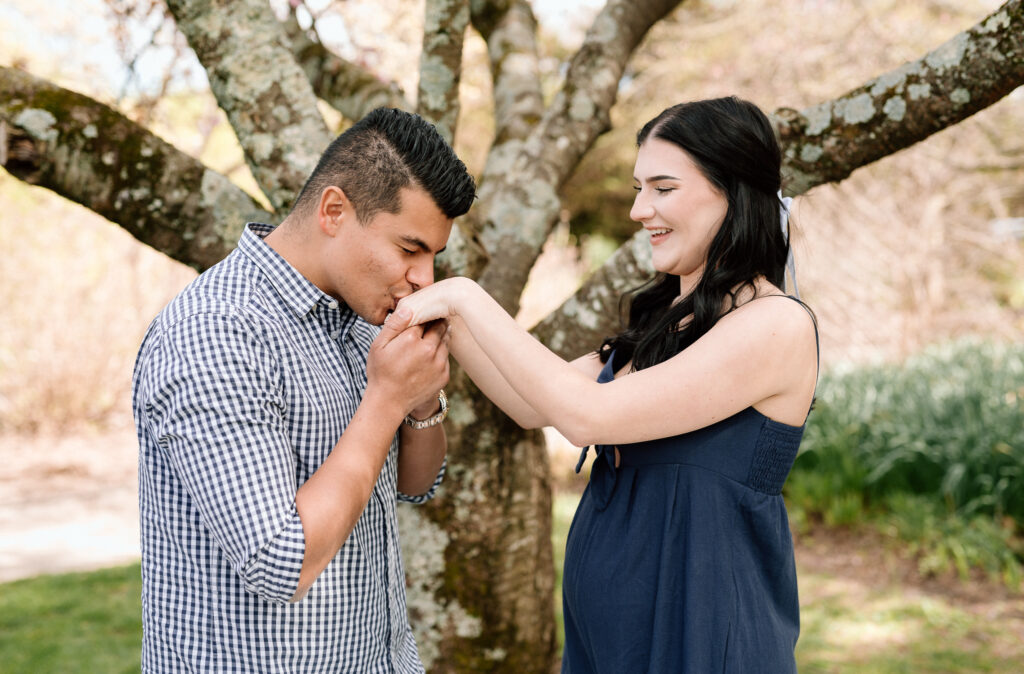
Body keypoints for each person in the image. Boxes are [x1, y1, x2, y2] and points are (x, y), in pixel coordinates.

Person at [393, 96, 818, 672]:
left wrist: (466, 295)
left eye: (663, 188)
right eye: (639, 187)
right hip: (611, 641)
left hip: (702, 633)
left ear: (733, 191)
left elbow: (585, 415)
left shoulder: (775, 325)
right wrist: (444, 314)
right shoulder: (668, 325)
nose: (640, 209)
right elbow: (527, 403)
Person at [131, 107, 476, 672]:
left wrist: (419, 403)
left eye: (433, 256)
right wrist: (385, 400)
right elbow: (279, 562)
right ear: (334, 210)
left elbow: (416, 485)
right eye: (410, 249)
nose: (424, 279)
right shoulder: (216, 331)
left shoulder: (364, 316)